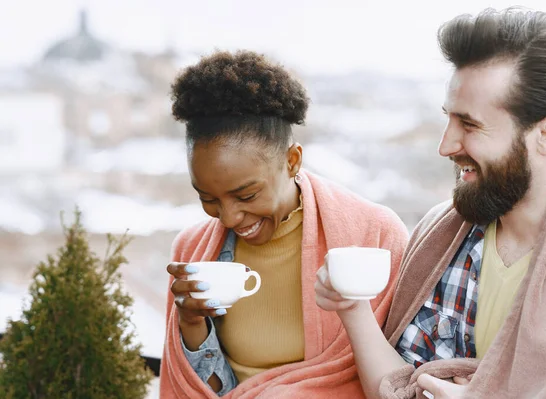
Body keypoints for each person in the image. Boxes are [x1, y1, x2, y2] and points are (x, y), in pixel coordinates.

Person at [315, 8, 546, 399]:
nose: (445, 146)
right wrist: (352, 309)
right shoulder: (442, 231)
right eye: (448, 119)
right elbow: (399, 387)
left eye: (469, 125)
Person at [159, 50, 409, 398]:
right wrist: (190, 325)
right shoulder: (193, 250)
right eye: (208, 199)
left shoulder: (374, 237)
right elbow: (206, 390)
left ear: (292, 161)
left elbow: (401, 375)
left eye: (246, 196)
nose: (229, 218)